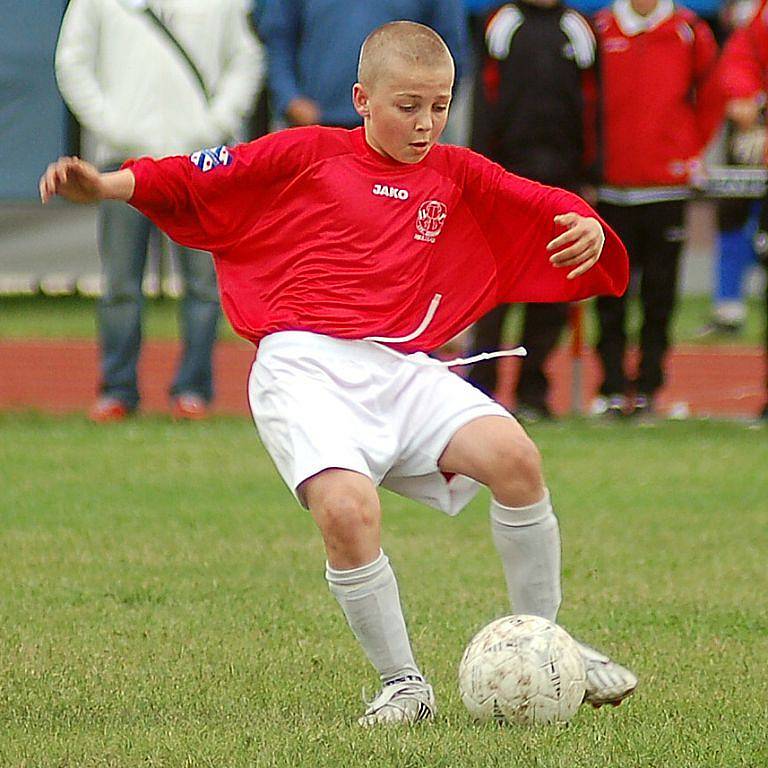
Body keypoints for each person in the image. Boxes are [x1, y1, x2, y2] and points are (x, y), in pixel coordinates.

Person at [41, 21, 637, 725]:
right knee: (349, 511)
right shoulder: (308, 152)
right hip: (302, 366)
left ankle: (546, 645)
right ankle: (404, 685)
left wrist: (585, 221)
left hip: (398, 364)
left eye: (440, 106)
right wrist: (105, 184)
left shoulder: (453, 169)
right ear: (361, 98)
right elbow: (192, 172)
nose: (425, 123)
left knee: (516, 459)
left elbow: (533, 199)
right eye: (407, 105)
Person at [55, 0, 263, 421]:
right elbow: (72, 62)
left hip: (199, 163)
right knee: (120, 283)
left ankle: (193, 392)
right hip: (122, 160)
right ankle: (117, 390)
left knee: (204, 284)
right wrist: (114, 125)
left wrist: (215, 122)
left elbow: (246, 58)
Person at [466, 0, 599, 420]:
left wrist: (591, 173)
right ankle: (481, 390)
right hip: (505, 183)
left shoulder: (579, 29)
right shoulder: (500, 25)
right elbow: (483, 105)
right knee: (493, 292)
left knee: (551, 290)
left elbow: (595, 107)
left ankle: (532, 392)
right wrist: (481, 175)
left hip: (563, 184)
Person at [592, 0, 721, 418]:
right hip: (611, 190)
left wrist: (686, 148)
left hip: (666, 191)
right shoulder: (600, 29)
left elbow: (714, 94)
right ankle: (611, 387)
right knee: (610, 296)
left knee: (659, 295)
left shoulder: (689, 30)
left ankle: (648, 387)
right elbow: (585, 101)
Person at [258, 0, 468, 129]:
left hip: (398, 136)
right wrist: (289, 98)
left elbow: (450, 49)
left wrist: (423, 114)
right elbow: (278, 38)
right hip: (316, 124)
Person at [717, 0, 768, 418]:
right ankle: (727, 303)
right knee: (734, 213)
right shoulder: (759, 17)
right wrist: (744, 96)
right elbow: (740, 58)